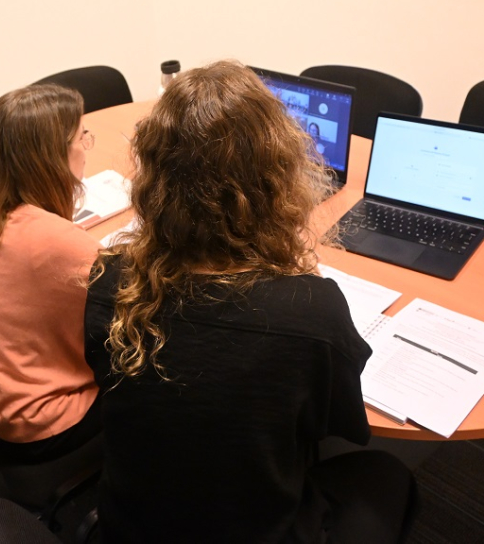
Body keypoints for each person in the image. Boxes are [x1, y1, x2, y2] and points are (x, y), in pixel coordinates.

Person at [85, 61, 418, 543]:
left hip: (131, 524)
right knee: (388, 473)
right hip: (255, 529)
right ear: (275, 178)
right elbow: (343, 425)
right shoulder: (310, 309)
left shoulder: (108, 281)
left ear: (155, 177)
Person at [0, 84, 101, 464]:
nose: (86, 145)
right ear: (50, 158)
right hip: (39, 423)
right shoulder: (51, 239)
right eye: (80, 137)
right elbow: (141, 297)